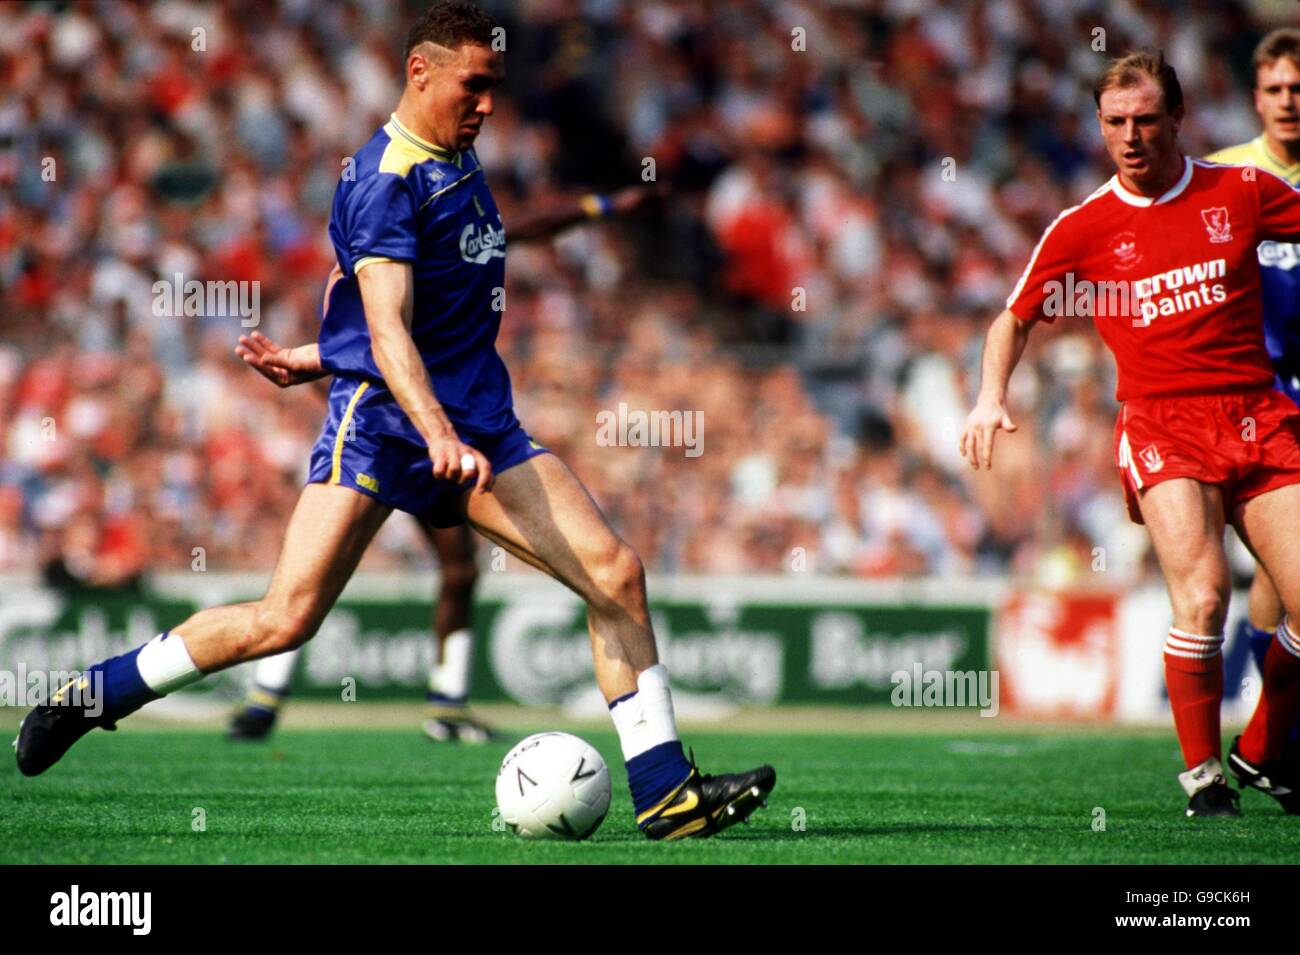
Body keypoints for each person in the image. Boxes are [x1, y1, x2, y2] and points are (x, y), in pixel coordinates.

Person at [15, 1, 774, 841]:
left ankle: (666, 794)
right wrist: (432, 429)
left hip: (480, 424)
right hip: (385, 426)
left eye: (495, 87)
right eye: (474, 85)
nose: (488, 104)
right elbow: (385, 326)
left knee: (616, 573)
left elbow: (410, 301)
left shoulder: (457, 157)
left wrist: (313, 354)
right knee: (283, 619)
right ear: (421, 72)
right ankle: (93, 694)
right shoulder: (385, 179)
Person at [961, 49, 1300, 817]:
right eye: (1115, 122)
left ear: (1177, 118)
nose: (1131, 136)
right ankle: (1204, 775)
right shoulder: (1083, 227)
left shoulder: (1240, 191)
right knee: (1206, 596)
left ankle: (1262, 746)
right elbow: (1012, 318)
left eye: (1147, 119)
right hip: (1163, 424)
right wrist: (988, 398)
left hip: (1258, 410)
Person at [227, 183, 669, 745]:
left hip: (441, 443)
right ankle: (269, 696)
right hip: (381, 441)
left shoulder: (446, 248)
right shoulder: (365, 277)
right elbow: (349, 366)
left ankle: (444, 701)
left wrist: (598, 205)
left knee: (455, 568)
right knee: (311, 585)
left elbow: (525, 225)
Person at [1204, 28, 1300, 754]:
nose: (1289, 101)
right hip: (1260, 392)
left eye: (1299, 89)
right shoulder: (1225, 178)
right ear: (1255, 99)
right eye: (1275, 89)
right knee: (1280, 564)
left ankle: (1272, 732)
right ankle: (1274, 730)